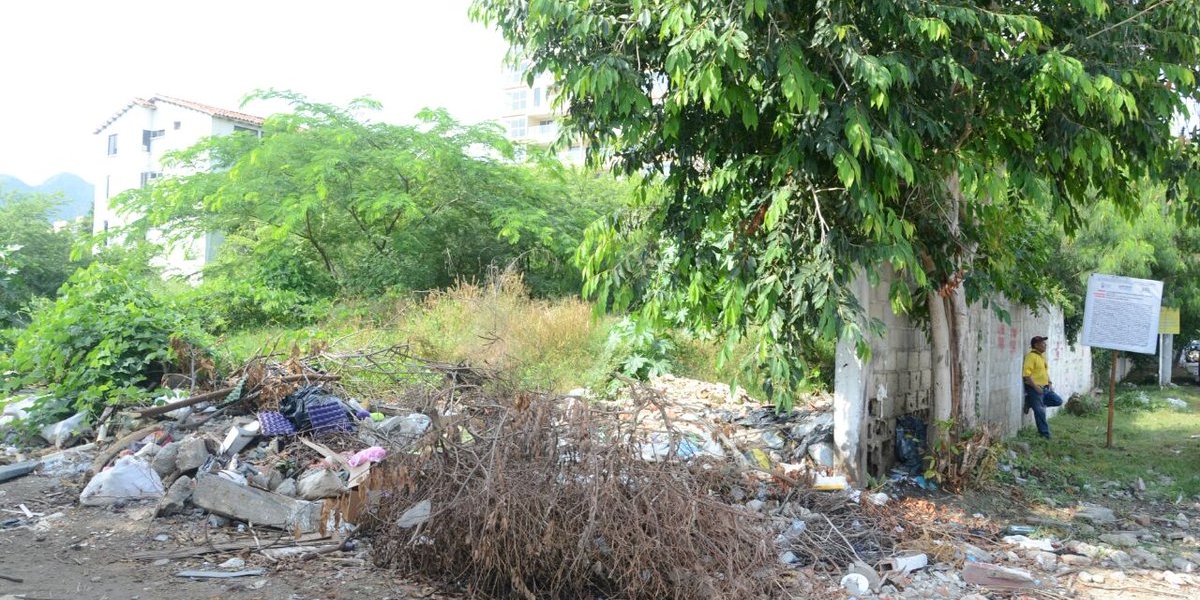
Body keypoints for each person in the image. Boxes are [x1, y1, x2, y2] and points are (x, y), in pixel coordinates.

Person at [1022, 335, 1064, 439]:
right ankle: (1045, 435)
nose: (1045, 345)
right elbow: (1027, 375)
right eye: (1042, 343)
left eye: (1045, 343)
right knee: (1040, 411)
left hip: (1045, 388)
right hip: (1035, 388)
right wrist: (1035, 387)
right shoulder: (1031, 356)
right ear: (1036, 345)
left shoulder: (1041, 356)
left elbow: (1044, 372)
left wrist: (1049, 382)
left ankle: (1031, 402)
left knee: (1058, 401)